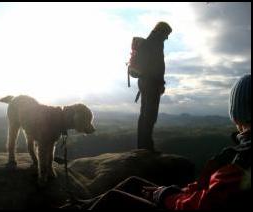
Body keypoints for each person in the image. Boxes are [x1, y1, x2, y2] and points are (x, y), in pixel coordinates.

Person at [79, 74, 251, 210]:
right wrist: (175, 192)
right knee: (133, 183)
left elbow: (206, 204)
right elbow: (208, 191)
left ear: (237, 114)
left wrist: (166, 197)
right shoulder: (240, 154)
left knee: (114, 199)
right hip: (184, 201)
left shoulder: (242, 160)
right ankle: (82, 205)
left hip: (182, 206)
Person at [137, 21, 172, 151]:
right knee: (150, 115)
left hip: (143, 82)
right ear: (161, 31)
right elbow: (158, 66)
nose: (167, 37)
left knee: (144, 114)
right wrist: (160, 83)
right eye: (167, 34)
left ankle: (142, 145)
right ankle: (147, 146)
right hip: (152, 83)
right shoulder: (157, 42)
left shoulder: (147, 42)